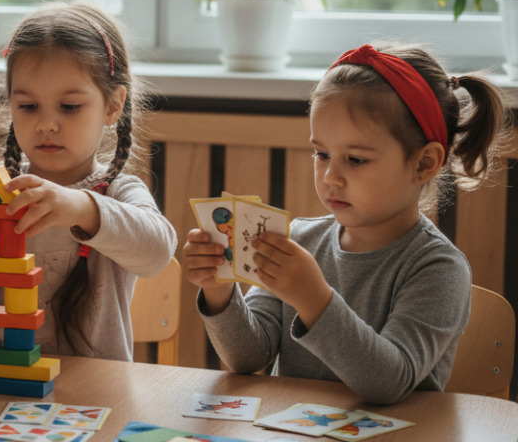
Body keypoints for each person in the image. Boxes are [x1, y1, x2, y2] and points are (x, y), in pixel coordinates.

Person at [182, 43, 507, 405]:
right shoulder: (298, 240)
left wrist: (313, 299)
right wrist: (219, 291)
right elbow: (248, 357)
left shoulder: (438, 267)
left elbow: (389, 382)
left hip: (407, 438)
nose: (330, 177)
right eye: (321, 154)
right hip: (292, 435)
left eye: (355, 159)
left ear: (424, 163)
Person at [0, 3, 177, 359]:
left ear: (113, 106)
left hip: (89, 388)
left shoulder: (117, 192)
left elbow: (157, 252)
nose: (46, 125)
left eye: (69, 107)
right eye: (28, 106)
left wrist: (79, 208)